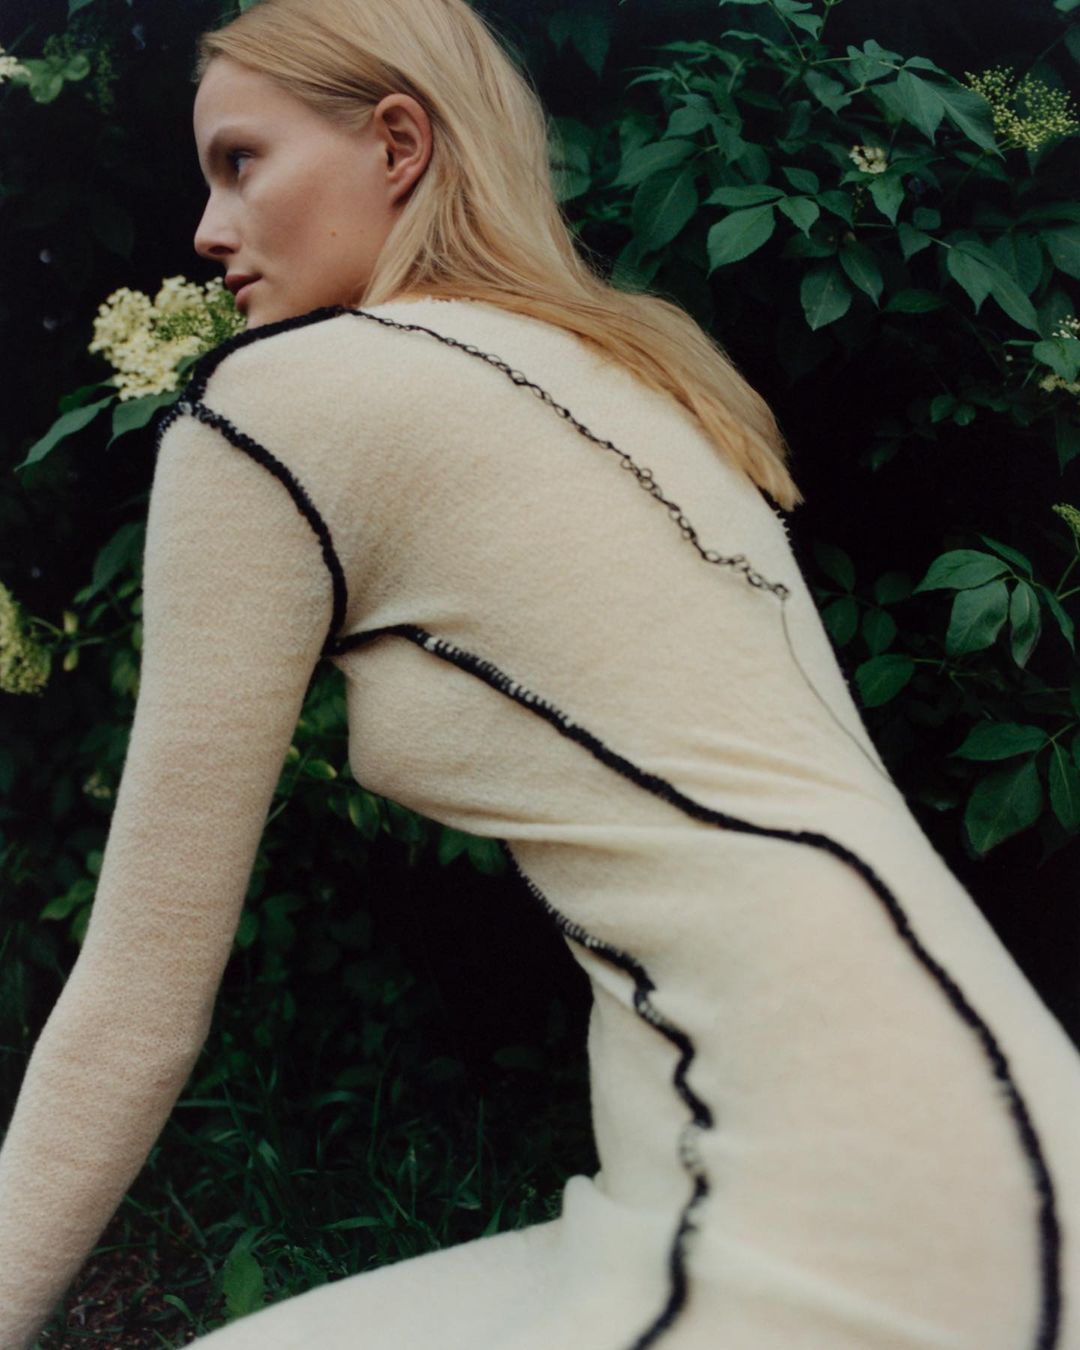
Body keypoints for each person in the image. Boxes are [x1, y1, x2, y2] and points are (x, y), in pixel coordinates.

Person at [1, 0, 1078, 1345]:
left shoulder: (285, 403)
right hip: (966, 1126)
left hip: (830, 1184)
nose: (209, 230)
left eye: (241, 162)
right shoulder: (649, 375)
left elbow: (137, 1004)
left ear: (398, 143)